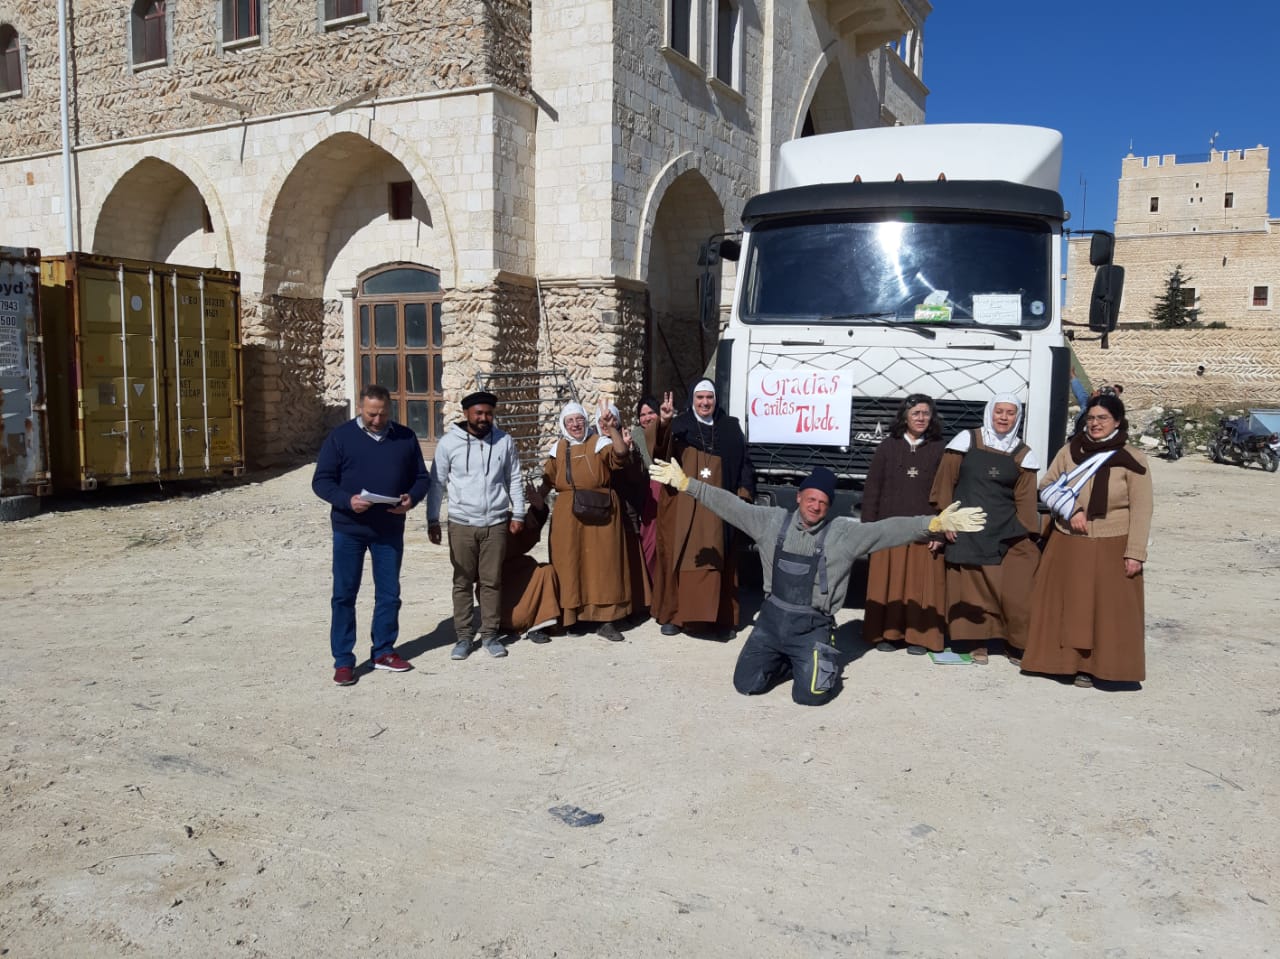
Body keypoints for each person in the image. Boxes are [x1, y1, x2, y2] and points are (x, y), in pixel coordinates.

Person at [648, 460, 985, 705]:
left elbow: (887, 529)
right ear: (798, 497)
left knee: (811, 697)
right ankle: (786, 660)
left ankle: (812, 659)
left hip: (813, 626)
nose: (816, 506)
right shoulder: (769, 521)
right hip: (770, 622)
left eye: (823, 502)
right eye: (811, 498)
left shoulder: (843, 534)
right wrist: (688, 484)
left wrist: (934, 522)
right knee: (745, 685)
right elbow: (730, 504)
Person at [1021, 393, 1152, 688]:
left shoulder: (1133, 458)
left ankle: (1102, 668)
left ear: (1117, 422)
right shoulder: (1070, 451)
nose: (1095, 424)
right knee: (1068, 604)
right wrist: (1072, 508)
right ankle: (1063, 663)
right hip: (1069, 539)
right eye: (1091, 418)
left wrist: (1136, 552)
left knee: (1106, 609)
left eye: (1102, 418)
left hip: (1112, 541)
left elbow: (1143, 508)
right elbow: (1047, 485)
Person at [312, 383, 429, 686]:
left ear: (391, 410)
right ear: (360, 409)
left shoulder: (405, 437)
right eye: (371, 414)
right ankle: (343, 661)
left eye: (382, 414)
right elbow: (321, 481)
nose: (377, 420)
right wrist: (346, 500)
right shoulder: (340, 438)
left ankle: (384, 652)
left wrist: (411, 500)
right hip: (349, 530)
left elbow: (421, 477)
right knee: (344, 595)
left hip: (389, 530)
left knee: (389, 595)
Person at [930, 393, 1041, 664]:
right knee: (972, 589)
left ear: (1018, 417)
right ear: (990, 412)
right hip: (967, 526)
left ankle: (1012, 642)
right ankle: (975, 643)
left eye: (1010, 413)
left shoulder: (1023, 454)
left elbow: (1025, 499)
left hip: (1004, 528)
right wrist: (945, 520)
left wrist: (1029, 533)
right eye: (999, 411)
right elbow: (946, 482)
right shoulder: (966, 441)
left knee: (1015, 590)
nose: (1003, 417)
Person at [648, 380, 754, 638]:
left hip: (718, 505)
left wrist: (743, 494)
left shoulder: (730, 428)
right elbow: (659, 455)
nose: (705, 402)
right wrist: (664, 423)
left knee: (719, 556)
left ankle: (720, 619)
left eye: (709, 397)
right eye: (700, 398)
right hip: (684, 505)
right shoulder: (680, 426)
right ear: (692, 400)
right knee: (680, 554)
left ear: (716, 399)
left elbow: (744, 464)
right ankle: (676, 616)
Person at [427, 390, 526, 661]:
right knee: (462, 581)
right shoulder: (449, 443)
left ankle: (490, 635)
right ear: (466, 414)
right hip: (461, 523)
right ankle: (463, 637)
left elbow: (514, 478)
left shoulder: (504, 441)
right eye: (478, 413)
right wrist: (432, 519)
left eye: (488, 413)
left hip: (495, 522)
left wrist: (518, 514)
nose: (484, 418)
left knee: (492, 581)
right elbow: (437, 483)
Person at [861, 394, 949, 655]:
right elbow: (872, 489)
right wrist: (869, 529)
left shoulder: (940, 449)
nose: (921, 418)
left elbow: (947, 492)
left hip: (925, 528)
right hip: (889, 530)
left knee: (919, 588)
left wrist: (941, 530)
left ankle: (917, 637)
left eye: (925, 413)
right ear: (905, 417)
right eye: (915, 413)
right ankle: (887, 634)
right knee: (889, 584)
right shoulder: (888, 447)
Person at [541, 400, 635, 642]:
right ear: (563, 424)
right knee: (569, 564)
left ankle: (606, 620)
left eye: (579, 419)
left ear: (586, 420)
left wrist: (611, 427)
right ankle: (573, 617)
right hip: (567, 517)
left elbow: (621, 454)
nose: (575, 424)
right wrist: (533, 502)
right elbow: (547, 481)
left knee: (604, 564)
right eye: (570, 421)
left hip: (601, 513)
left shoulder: (599, 443)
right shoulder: (558, 449)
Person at [499, 483, 561, 645]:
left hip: (520, 570)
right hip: (497, 582)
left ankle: (539, 626)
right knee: (519, 617)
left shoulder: (508, 519)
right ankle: (512, 623)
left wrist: (538, 508)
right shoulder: (476, 523)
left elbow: (526, 533)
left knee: (546, 571)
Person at [628, 395, 663, 585]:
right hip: (649, 492)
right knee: (649, 541)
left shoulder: (668, 432)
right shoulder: (636, 435)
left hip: (671, 489)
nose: (647, 418)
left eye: (651, 413)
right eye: (642, 414)